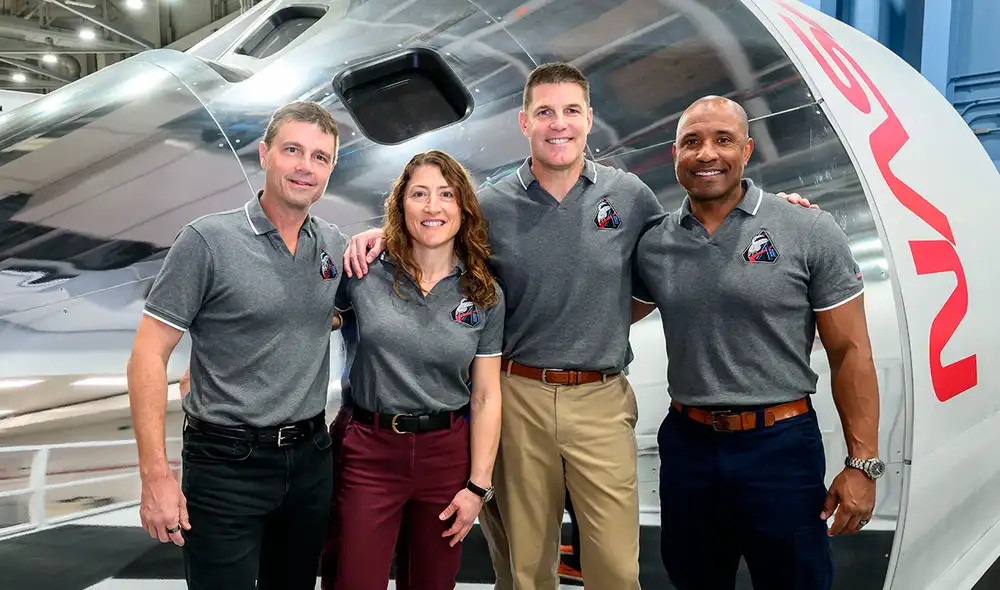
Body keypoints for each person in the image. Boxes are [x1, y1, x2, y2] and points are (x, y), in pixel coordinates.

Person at [343, 63, 817, 590]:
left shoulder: (631, 196)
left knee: (615, 570)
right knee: (525, 570)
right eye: (544, 112)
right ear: (524, 123)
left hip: (600, 398)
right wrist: (378, 235)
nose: (558, 124)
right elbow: (435, 229)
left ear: (589, 119)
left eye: (571, 111)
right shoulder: (492, 205)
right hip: (517, 395)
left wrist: (781, 215)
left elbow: (690, 235)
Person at [632, 95, 882, 590]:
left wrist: (863, 464)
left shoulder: (807, 228)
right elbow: (598, 316)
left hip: (780, 447)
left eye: (723, 140)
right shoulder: (655, 243)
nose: (707, 154)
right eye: (692, 142)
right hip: (689, 446)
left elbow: (850, 350)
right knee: (693, 578)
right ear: (674, 154)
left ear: (747, 151)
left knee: (795, 581)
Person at [126, 101, 349, 590]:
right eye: (293, 150)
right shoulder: (207, 241)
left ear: (331, 169)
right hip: (226, 465)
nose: (304, 167)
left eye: (320, 157)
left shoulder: (334, 245)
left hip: (310, 459)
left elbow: (326, 312)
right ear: (264, 154)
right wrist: (155, 476)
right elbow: (147, 354)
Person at [329, 150, 504, 590]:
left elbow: (485, 396)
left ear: (463, 208)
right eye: (419, 194)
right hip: (368, 450)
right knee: (353, 580)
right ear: (400, 205)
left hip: (445, 457)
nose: (432, 207)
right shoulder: (362, 271)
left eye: (446, 195)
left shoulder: (483, 294)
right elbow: (299, 320)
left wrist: (477, 487)